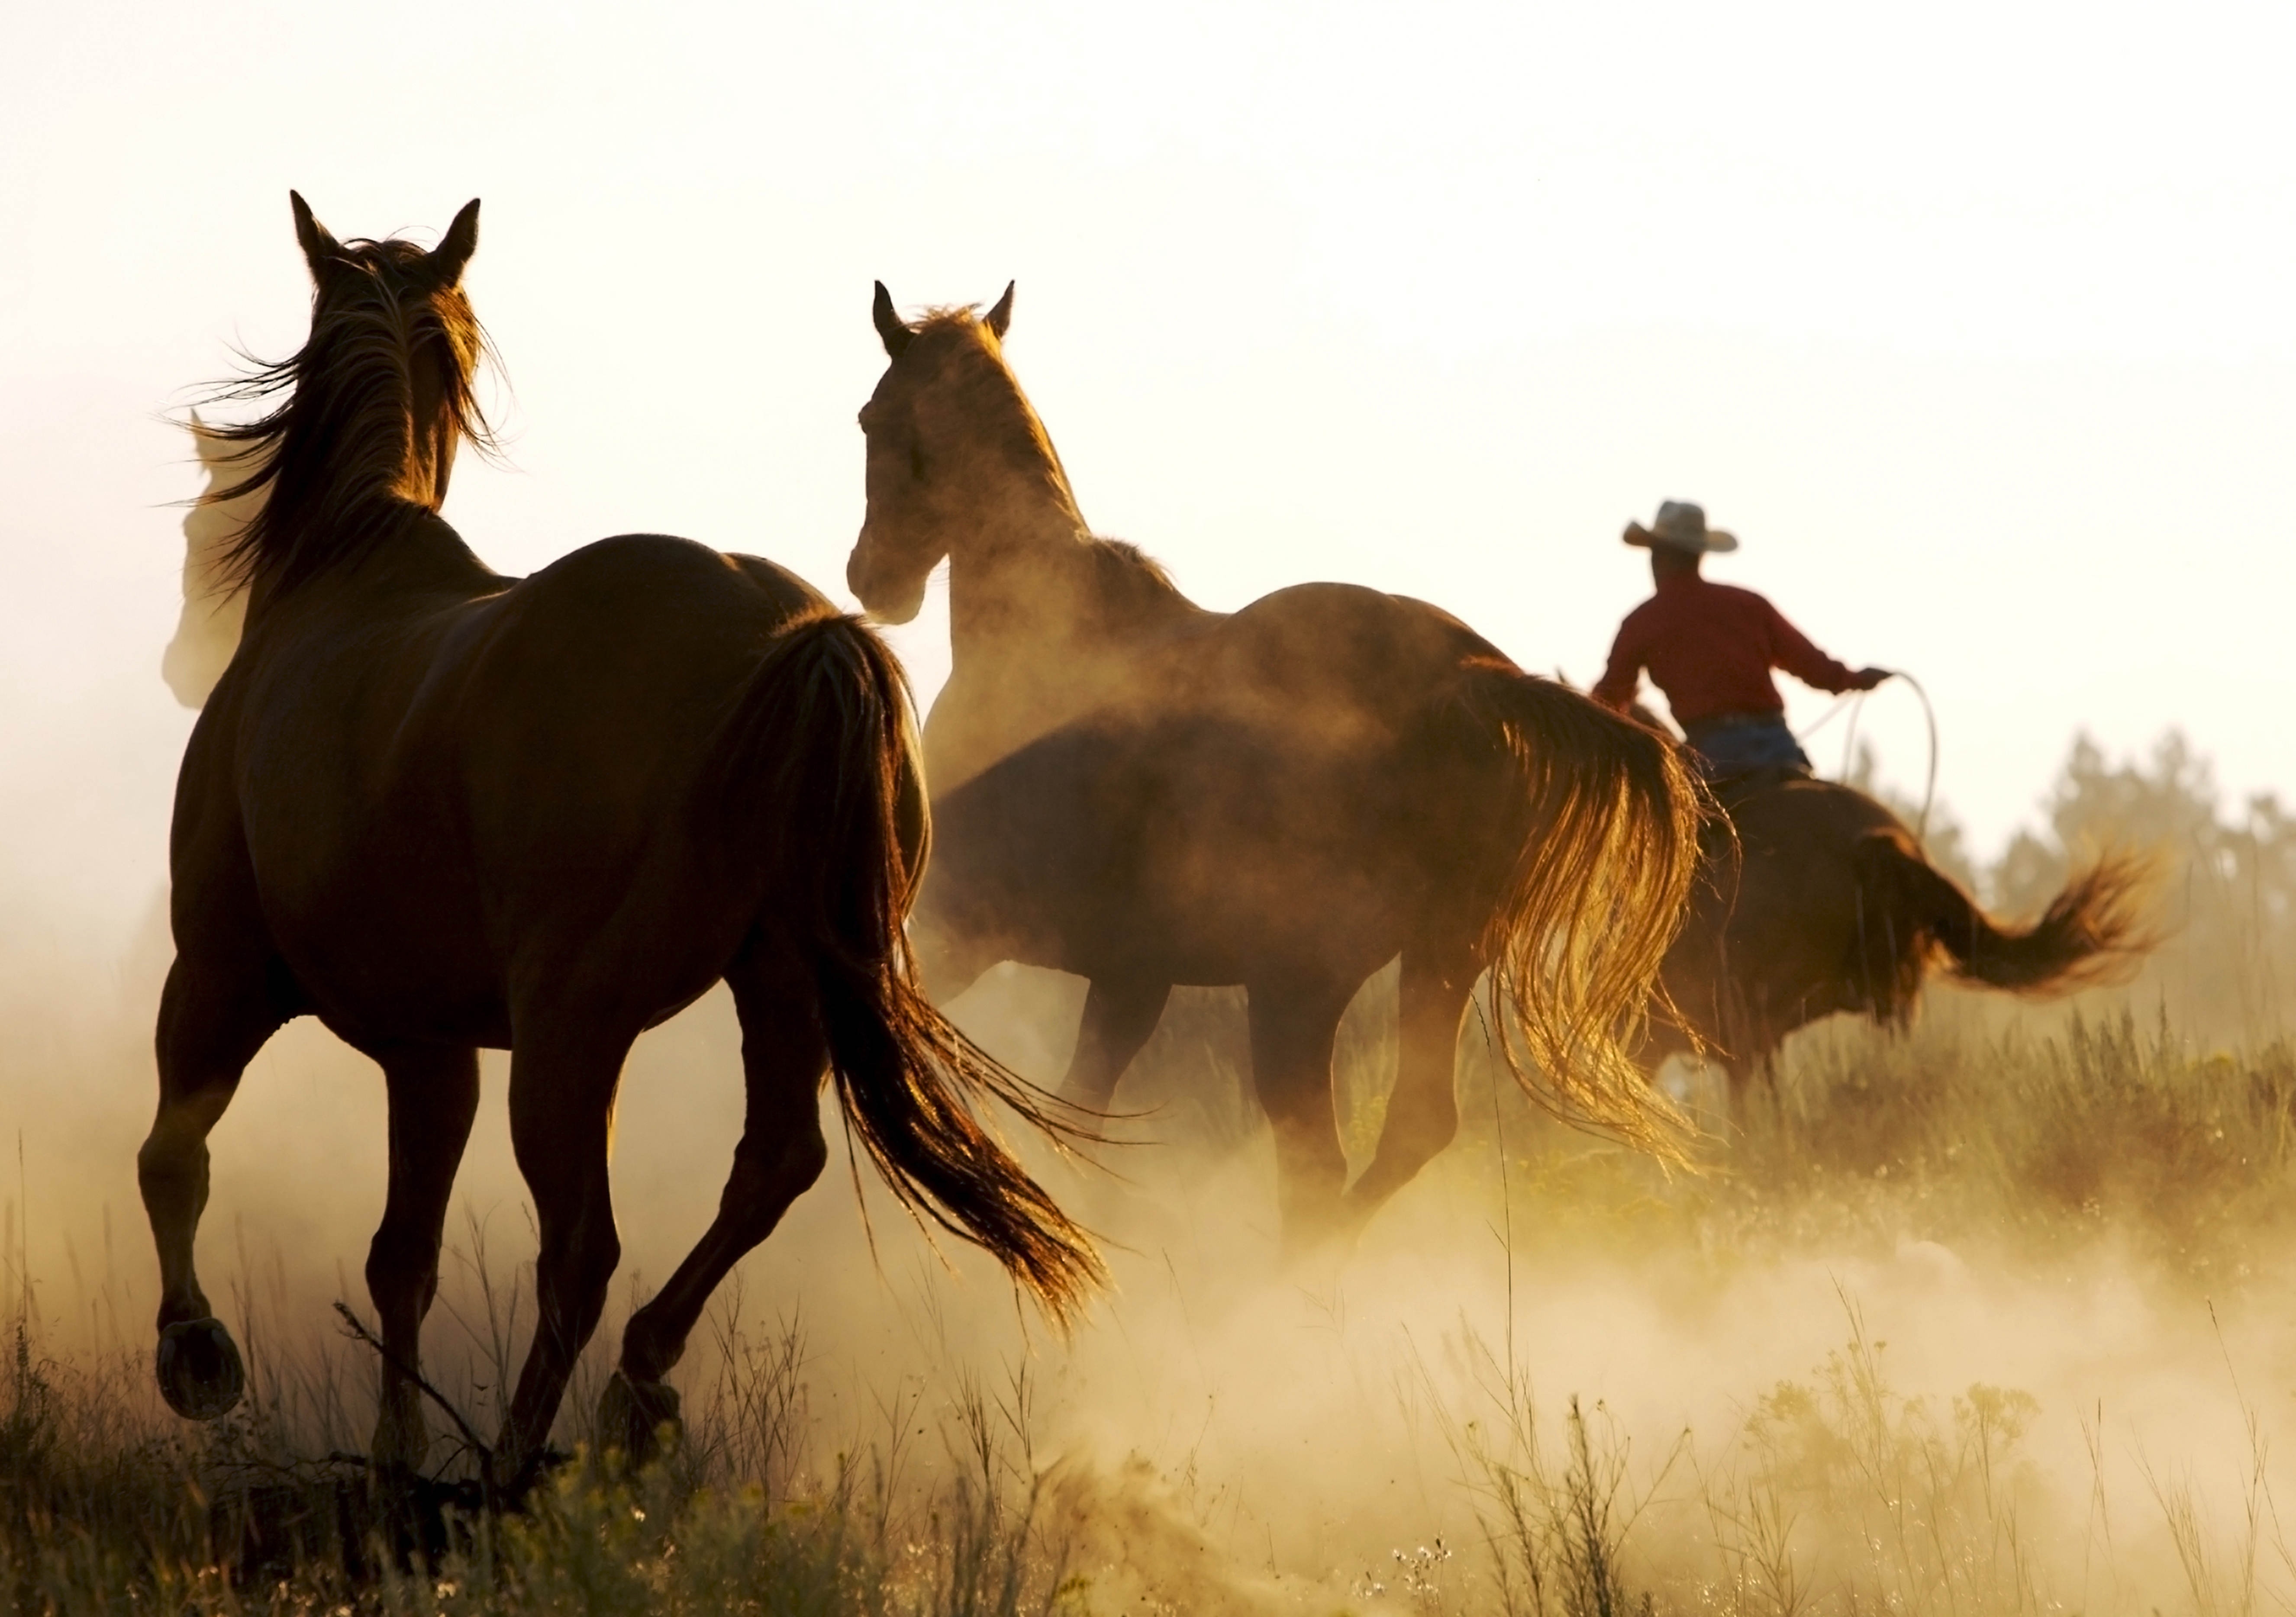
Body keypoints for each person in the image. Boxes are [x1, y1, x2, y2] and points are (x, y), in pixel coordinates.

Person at [1591, 501, 1888, 776]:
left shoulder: (1643, 621)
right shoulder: (1749, 605)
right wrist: (1855, 679)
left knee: (1680, 830)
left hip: (1712, 753)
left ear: (1659, 557)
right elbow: (1813, 666)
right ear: (1699, 555)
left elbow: (1609, 702)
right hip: (1778, 744)